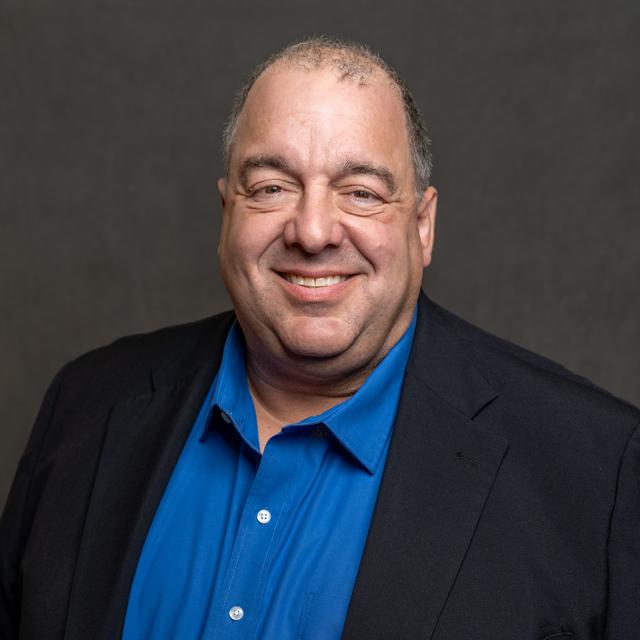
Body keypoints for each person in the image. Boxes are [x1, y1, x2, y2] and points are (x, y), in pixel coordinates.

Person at [1, 37, 638, 640]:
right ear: (227, 216)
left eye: (360, 192)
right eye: (272, 187)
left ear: (422, 227)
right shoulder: (85, 407)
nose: (311, 231)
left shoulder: (597, 474)